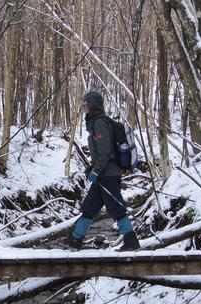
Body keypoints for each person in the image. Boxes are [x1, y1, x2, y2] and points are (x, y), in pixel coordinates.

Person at [58, 91, 140, 251]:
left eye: (85, 104)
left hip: (108, 174)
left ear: (91, 105)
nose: (83, 107)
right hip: (104, 173)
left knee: (115, 207)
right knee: (89, 206)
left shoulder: (100, 123)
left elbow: (105, 152)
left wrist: (95, 171)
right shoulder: (96, 122)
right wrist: (92, 169)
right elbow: (102, 154)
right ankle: (75, 240)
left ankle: (132, 242)